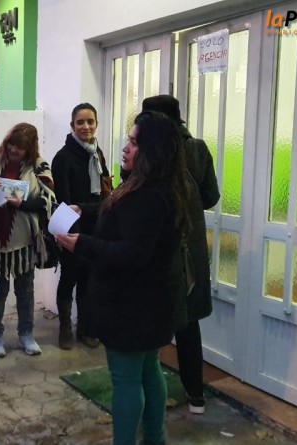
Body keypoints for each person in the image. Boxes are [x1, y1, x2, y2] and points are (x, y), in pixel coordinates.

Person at [56, 110, 191, 445]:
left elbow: (131, 253)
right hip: (154, 302)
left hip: (132, 307)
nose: (125, 147)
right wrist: (84, 209)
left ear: (152, 150)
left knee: (127, 379)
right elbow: (122, 214)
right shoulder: (163, 185)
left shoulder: (146, 195)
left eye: (133, 142)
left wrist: (82, 244)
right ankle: (155, 439)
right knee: (149, 371)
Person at [142, 94, 220, 414]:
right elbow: (211, 196)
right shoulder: (198, 148)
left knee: (148, 321)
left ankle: (146, 394)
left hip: (157, 245)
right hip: (191, 246)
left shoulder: (152, 152)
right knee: (188, 324)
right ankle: (195, 394)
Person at [0, 123, 54, 357]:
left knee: (25, 291)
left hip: (24, 240)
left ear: (30, 148)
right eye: (11, 144)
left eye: (20, 147)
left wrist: (21, 203)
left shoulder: (39, 166)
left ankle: (26, 334)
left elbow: (48, 201)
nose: (13, 150)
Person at [51, 103, 111, 349]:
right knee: (69, 277)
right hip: (71, 228)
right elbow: (64, 202)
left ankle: (85, 328)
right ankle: (65, 328)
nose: (86, 127)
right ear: (72, 125)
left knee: (89, 280)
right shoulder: (63, 157)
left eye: (90, 122)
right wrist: (71, 234)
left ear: (96, 124)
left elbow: (105, 194)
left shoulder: (97, 154)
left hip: (95, 227)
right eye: (80, 122)